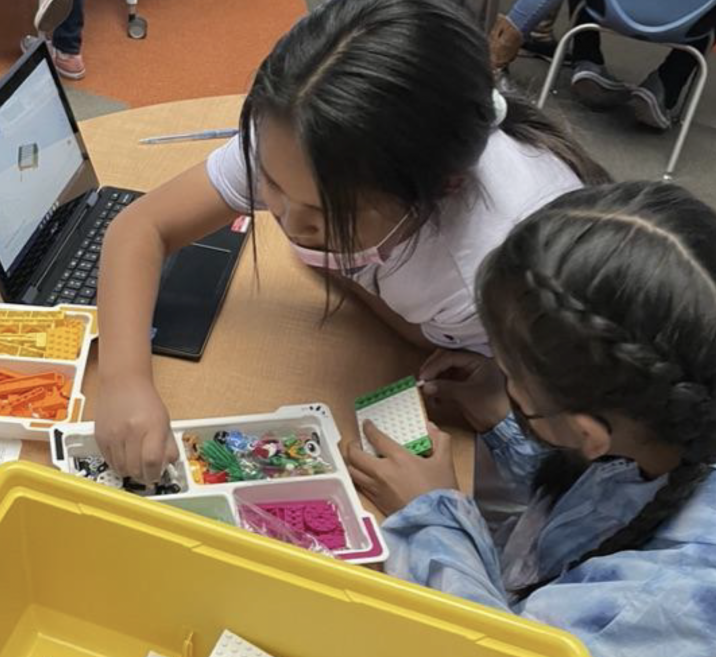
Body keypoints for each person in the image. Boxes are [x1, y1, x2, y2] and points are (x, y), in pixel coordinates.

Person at [94, 0, 609, 482]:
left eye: (324, 216)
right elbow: (139, 227)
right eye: (269, 185)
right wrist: (124, 381)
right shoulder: (303, 136)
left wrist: (494, 400)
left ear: (441, 188)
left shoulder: (493, 260)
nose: (288, 223)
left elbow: (583, 451)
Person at [350, 181, 716, 657]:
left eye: (513, 374)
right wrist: (506, 416)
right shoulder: (672, 409)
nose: (504, 376)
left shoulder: (658, 607)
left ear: (589, 434)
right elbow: (594, 507)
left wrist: (430, 516)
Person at [490, 0, 716, 130]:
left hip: (608, 10)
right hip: (688, 26)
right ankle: (664, 88)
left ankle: (587, 60)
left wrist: (513, 30)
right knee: (707, 26)